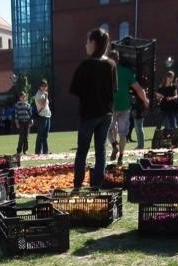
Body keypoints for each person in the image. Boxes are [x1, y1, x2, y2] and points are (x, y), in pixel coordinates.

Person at [69, 28, 117, 190]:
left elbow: (75, 89)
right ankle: (97, 185)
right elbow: (113, 90)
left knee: (82, 150)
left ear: (94, 44)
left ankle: (77, 185)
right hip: (106, 113)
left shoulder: (86, 65)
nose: (85, 45)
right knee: (100, 150)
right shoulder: (111, 65)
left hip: (89, 114)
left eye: (88, 41)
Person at [107, 49, 149, 166]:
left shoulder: (105, 73)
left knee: (109, 129)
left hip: (110, 107)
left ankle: (114, 146)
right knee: (123, 133)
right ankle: (120, 156)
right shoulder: (127, 72)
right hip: (125, 106)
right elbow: (139, 89)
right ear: (118, 58)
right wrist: (145, 101)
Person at [34, 80, 51, 155]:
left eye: (45, 86)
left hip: (47, 116)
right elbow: (43, 105)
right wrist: (46, 96)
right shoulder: (39, 95)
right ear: (40, 86)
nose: (44, 87)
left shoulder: (43, 94)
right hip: (42, 117)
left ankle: (45, 151)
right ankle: (38, 152)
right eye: (43, 86)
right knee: (41, 135)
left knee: (45, 135)